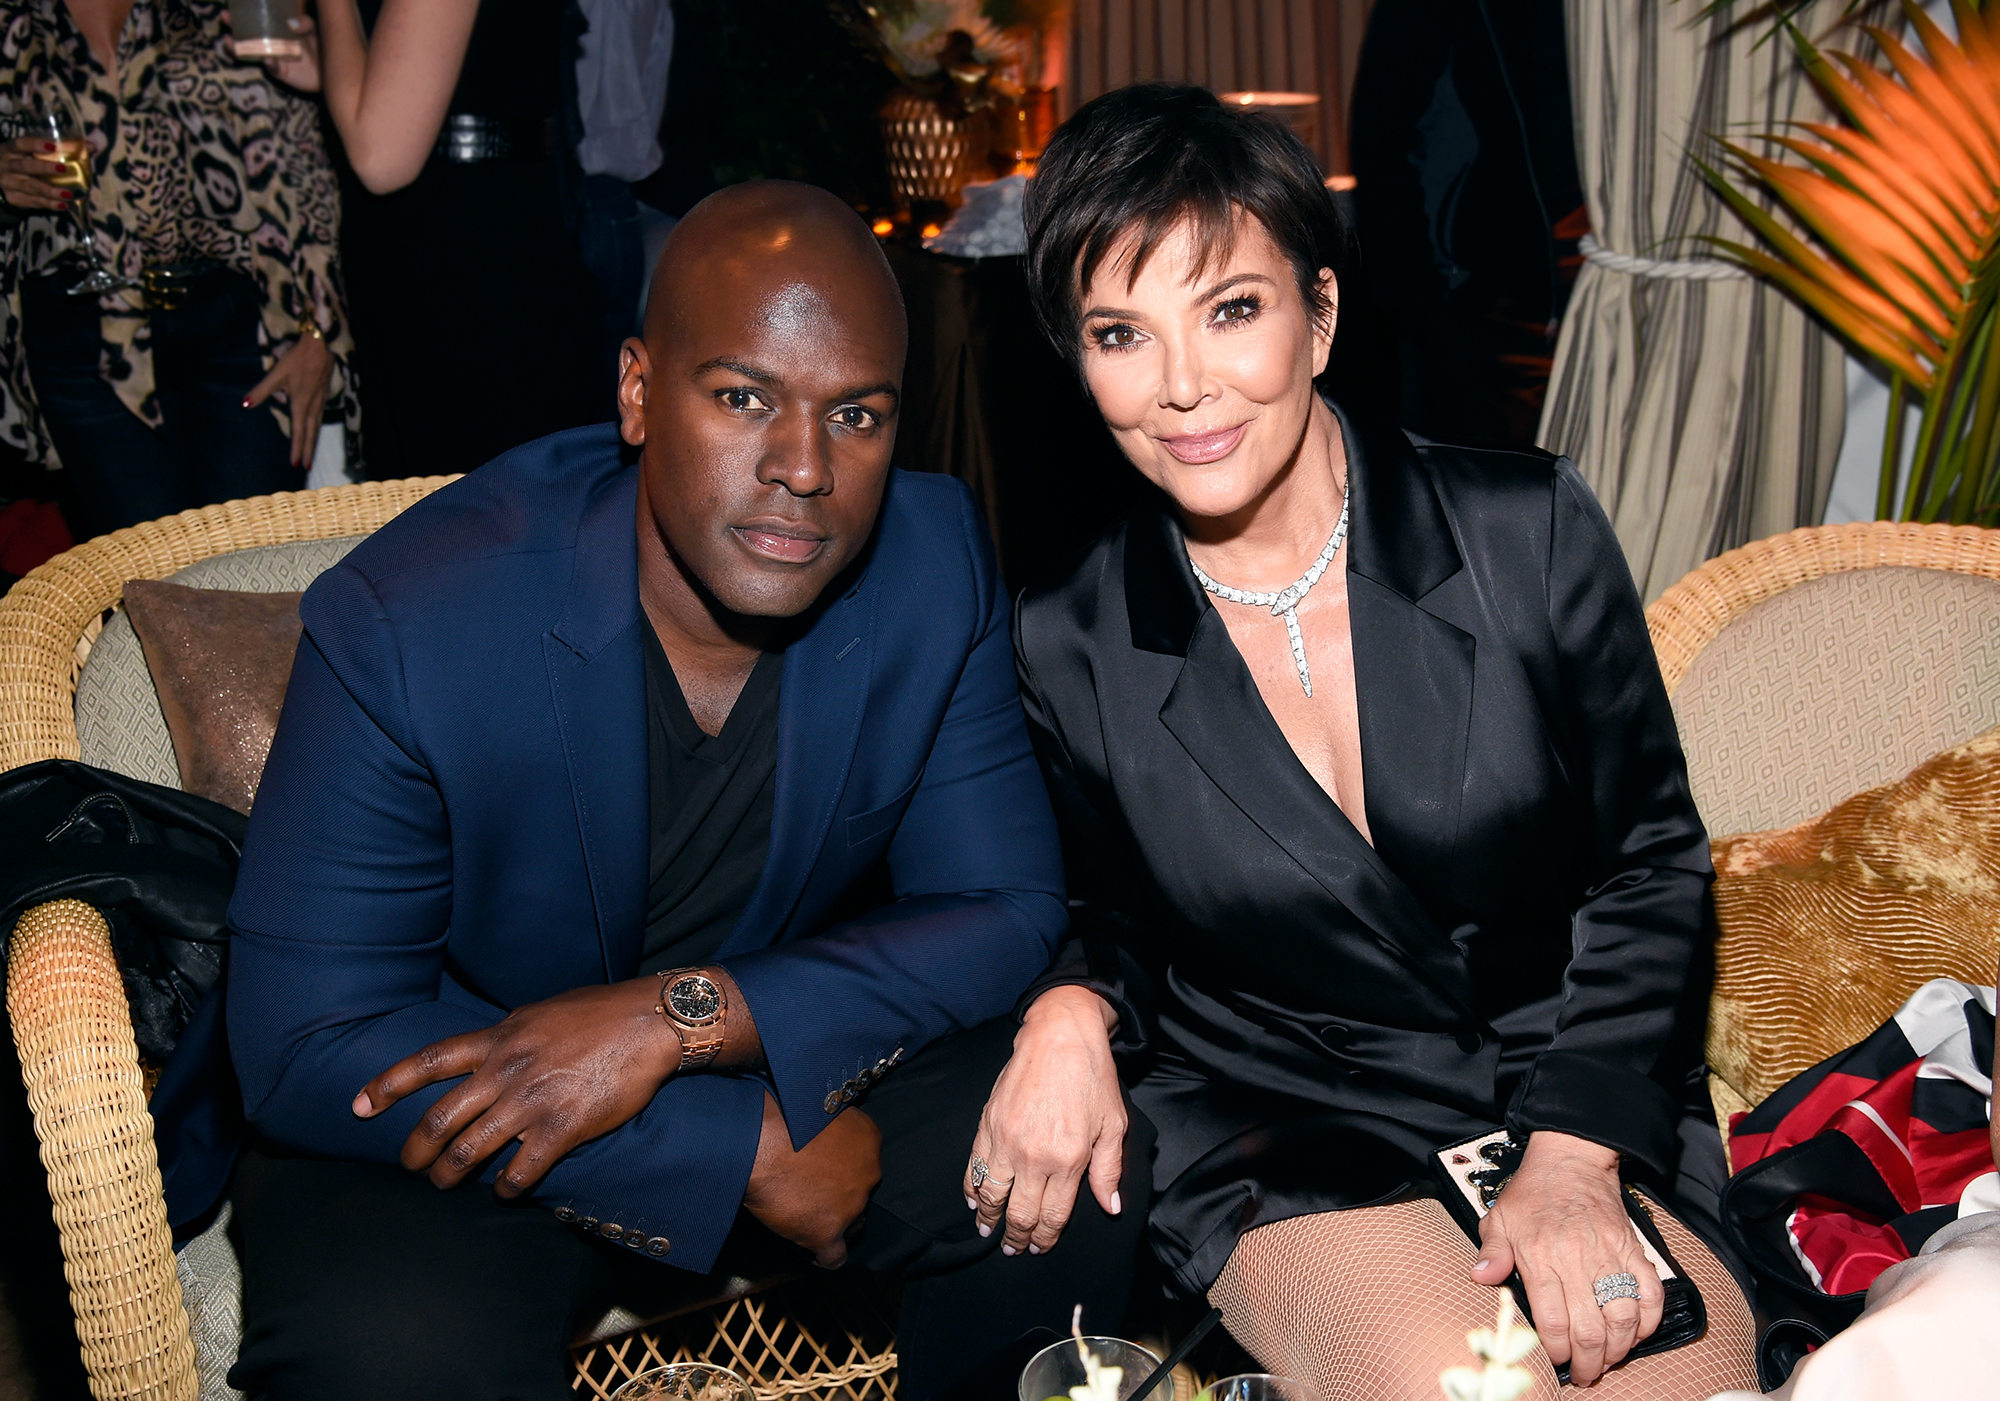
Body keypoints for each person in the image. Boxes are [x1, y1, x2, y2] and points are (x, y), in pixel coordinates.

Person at [214, 181, 1148, 1401]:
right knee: (389, 1355)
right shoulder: (414, 617)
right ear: (639, 392)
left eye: (856, 415)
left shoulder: (930, 559)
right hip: (473, 1092)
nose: (803, 468)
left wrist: (684, 1017)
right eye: (743, 398)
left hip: (774, 1035)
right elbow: (304, 1034)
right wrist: (728, 1149)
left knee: (1068, 1176)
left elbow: (1005, 901)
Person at [966, 84, 1761, 1399]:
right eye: (1121, 332)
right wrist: (1068, 1010)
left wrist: (1573, 1147)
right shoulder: (1068, 635)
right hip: (1289, 1119)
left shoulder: (1526, 529)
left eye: (1232, 309)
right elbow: (1105, 907)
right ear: (1077, 360)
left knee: (1681, 1382)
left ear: (1320, 316)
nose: (1182, 387)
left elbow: (1653, 864)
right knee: (1470, 1388)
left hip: (1575, 1087)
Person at [0, 0, 357, 541]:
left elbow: (303, 156)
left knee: (250, 579)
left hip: (240, 326)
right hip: (80, 335)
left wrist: (318, 327)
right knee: (144, 584)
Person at [266, 0, 614, 479]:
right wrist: (336, 73)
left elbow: (380, 158)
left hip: (470, 280)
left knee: (473, 528)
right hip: (442, 269)